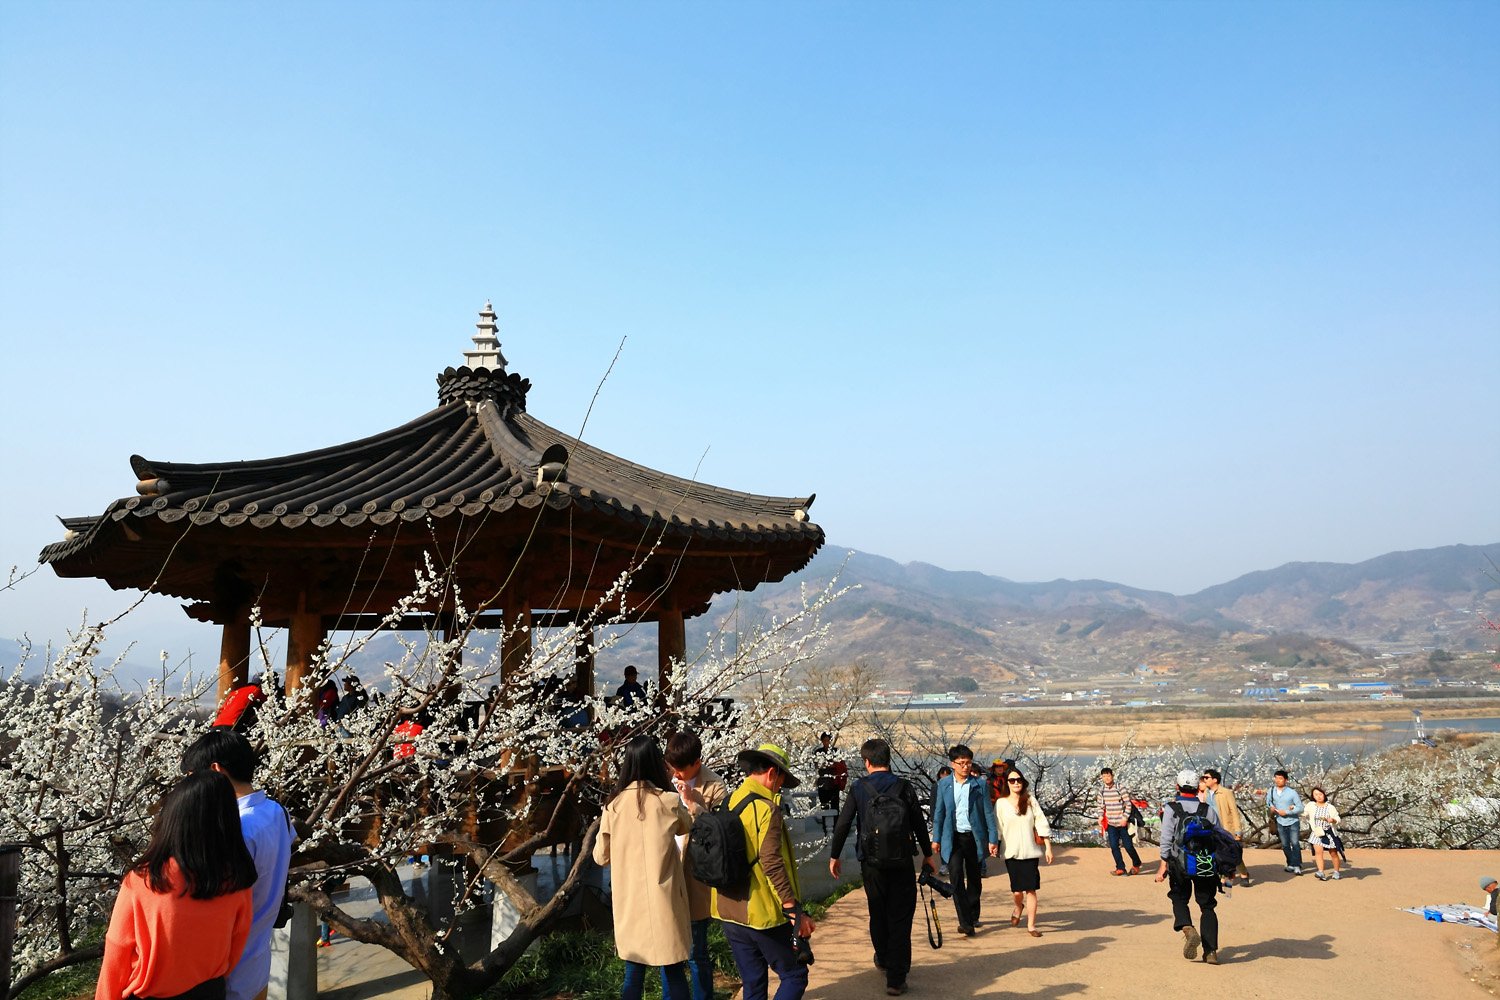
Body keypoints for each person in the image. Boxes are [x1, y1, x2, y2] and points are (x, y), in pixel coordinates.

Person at [96, 770, 257, 1000]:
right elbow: (236, 944)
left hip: (152, 994)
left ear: (173, 818)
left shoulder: (144, 878)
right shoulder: (237, 879)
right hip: (209, 991)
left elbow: (118, 948)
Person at [181, 729, 295, 1000]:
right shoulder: (277, 811)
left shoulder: (235, 829)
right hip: (258, 964)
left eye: (192, 778)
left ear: (215, 771)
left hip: (227, 971)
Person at [828, 738, 937, 996]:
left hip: (871, 863)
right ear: (889, 760)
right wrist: (927, 854)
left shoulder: (859, 787)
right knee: (900, 917)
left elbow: (843, 823)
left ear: (867, 762)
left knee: (878, 912)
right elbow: (918, 823)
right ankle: (896, 979)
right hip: (901, 862)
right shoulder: (904, 787)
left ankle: (884, 958)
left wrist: (834, 855)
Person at [592, 735, 694, 1000]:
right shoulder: (668, 801)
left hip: (630, 903)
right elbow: (687, 826)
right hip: (666, 901)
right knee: (674, 972)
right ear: (657, 762)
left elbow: (600, 857)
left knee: (633, 976)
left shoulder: (613, 807)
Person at [713, 743, 815, 1000]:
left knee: (753, 983)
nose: (780, 788)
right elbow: (771, 863)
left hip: (728, 910)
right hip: (762, 914)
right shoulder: (766, 809)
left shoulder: (728, 801)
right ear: (772, 773)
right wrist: (793, 911)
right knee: (794, 975)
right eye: (781, 781)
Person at [664, 730, 729, 1000]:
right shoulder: (663, 781)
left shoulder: (715, 786)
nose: (676, 774)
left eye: (681, 769)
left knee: (695, 951)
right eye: (672, 767)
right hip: (667, 873)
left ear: (697, 763)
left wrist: (694, 804)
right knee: (668, 951)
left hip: (696, 877)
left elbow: (721, 832)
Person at [1156, 768, 1232, 966]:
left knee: (1179, 897)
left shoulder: (1171, 809)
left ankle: (1188, 929)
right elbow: (1220, 837)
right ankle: (1211, 952)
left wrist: (1163, 864)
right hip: (1205, 864)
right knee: (1207, 906)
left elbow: (1166, 838)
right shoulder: (1207, 810)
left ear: (1177, 787)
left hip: (1179, 864)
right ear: (1198, 788)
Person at [929, 744, 998, 936]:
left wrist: (993, 838)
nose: (965, 767)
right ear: (953, 764)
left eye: (968, 763)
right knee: (956, 877)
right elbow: (939, 813)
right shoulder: (944, 784)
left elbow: (988, 813)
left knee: (974, 878)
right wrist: (936, 839)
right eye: (961, 763)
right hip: (953, 837)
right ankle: (965, 921)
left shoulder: (979, 784)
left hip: (974, 837)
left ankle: (973, 914)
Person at [995, 769, 1052, 937]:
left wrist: (1048, 847)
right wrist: (994, 844)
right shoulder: (1001, 803)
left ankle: (1031, 926)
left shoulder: (1030, 801)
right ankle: (1018, 907)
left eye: (1018, 780)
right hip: (1011, 853)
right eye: (1012, 780)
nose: (1016, 783)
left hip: (1031, 852)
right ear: (1007, 783)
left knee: (1031, 890)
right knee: (1017, 891)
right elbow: (998, 827)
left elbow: (1041, 823)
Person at [1202, 769, 1249, 885]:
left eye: (1207, 778)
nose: (1204, 780)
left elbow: (1234, 811)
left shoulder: (1226, 792)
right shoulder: (1206, 793)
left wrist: (1238, 829)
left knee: (1233, 852)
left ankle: (1244, 873)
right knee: (1218, 853)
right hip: (1212, 828)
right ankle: (1222, 876)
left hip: (1226, 827)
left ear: (1215, 780)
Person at [1099, 767, 1141, 876]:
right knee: (1114, 847)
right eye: (1104, 776)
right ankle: (1120, 868)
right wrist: (1100, 816)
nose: (1106, 778)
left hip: (1122, 823)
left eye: (1108, 776)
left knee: (1128, 846)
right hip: (1111, 824)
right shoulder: (1101, 790)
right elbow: (1100, 806)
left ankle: (1136, 863)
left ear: (1112, 776)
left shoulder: (1120, 788)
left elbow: (1128, 804)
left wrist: (1125, 818)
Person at [1267, 770, 1304, 875]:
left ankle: (1297, 865)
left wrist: (1287, 812)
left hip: (1293, 821)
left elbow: (1300, 808)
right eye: (1276, 778)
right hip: (1280, 821)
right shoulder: (1271, 790)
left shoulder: (1292, 793)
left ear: (1285, 780)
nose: (1277, 780)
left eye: (1280, 778)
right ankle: (1290, 863)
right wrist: (1272, 807)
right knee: (1285, 844)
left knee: (1295, 843)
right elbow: (1268, 801)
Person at [1306, 787, 1343, 881]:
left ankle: (1336, 872)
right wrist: (1293, 808)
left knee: (1333, 853)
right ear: (1313, 796)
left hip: (1329, 832)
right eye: (1316, 795)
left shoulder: (1330, 807)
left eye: (1320, 794)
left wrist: (1333, 820)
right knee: (1318, 852)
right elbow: (1304, 813)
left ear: (1324, 795)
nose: (1318, 796)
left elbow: (1338, 819)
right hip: (1317, 832)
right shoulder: (1311, 805)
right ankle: (1321, 872)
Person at [814, 733, 848, 812]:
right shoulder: (818, 752)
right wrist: (821, 765)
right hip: (822, 783)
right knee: (824, 806)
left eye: (828, 740)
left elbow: (842, 764)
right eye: (824, 740)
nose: (826, 743)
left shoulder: (836, 751)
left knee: (835, 806)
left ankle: (836, 820)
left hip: (834, 782)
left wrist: (834, 765)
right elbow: (815, 764)